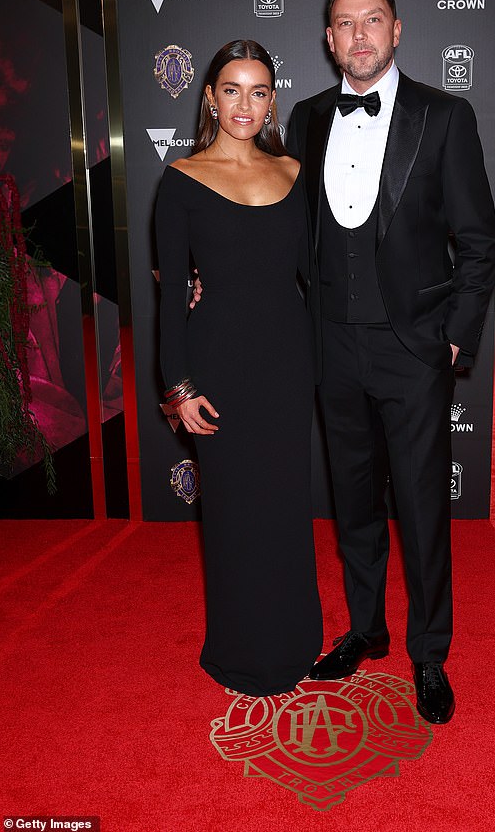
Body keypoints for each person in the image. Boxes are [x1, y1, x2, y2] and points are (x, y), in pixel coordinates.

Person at [284, 0, 495, 723]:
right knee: (353, 505)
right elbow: (289, 237)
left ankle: (429, 653)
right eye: (344, 23)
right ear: (328, 38)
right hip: (332, 347)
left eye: (372, 19)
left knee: (421, 509)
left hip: (414, 351)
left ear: (397, 29)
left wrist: (453, 342)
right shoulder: (308, 117)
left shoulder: (444, 116)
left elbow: (478, 243)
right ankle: (366, 630)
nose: (359, 35)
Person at [155, 40, 322, 697]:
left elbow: (319, 276)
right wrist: (179, 385)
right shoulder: (182, 179)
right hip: (219, 360)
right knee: (230, 510)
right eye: (231, 89)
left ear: (271, 99)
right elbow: (171, 292)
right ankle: (237, 649)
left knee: (284, 505)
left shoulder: (295, 173)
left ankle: (294, 640)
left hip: (288, 359)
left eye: (258, 91)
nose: (244, 104)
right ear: (210, 98)